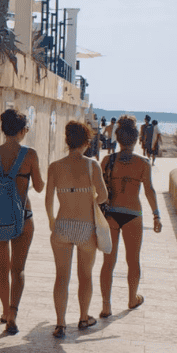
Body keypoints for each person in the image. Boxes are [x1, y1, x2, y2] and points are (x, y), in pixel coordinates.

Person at [0, 108, 44, 335]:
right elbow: (38, 186)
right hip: (24, 216)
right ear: (23, 130)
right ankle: (14, 313)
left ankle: (5, 310)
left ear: (3, 128)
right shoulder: (30, 154)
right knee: (18, 269)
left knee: (2, 266)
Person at [46, 120, 109, 338]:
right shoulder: (92, 165)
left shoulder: (55, 166)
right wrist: (89, 196)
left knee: (61, 276)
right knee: (85, 276)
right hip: (85, 227)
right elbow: (103, 196)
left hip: (62, 225)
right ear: (86, 142)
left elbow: (48, 200)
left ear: (67, 141)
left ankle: (60, 324)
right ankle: (83, 318)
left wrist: (51, 221)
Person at [99, 115, 162, 317]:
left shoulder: (107, 160)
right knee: (133, 260)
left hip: (111, 215)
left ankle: (106, 306)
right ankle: (132, 298)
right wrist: (156, 215)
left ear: (118, 139)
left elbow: (99, 191)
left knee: (108, 262)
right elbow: (149, 191)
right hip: (133, 215)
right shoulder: (143, 163)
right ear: (136, 140)